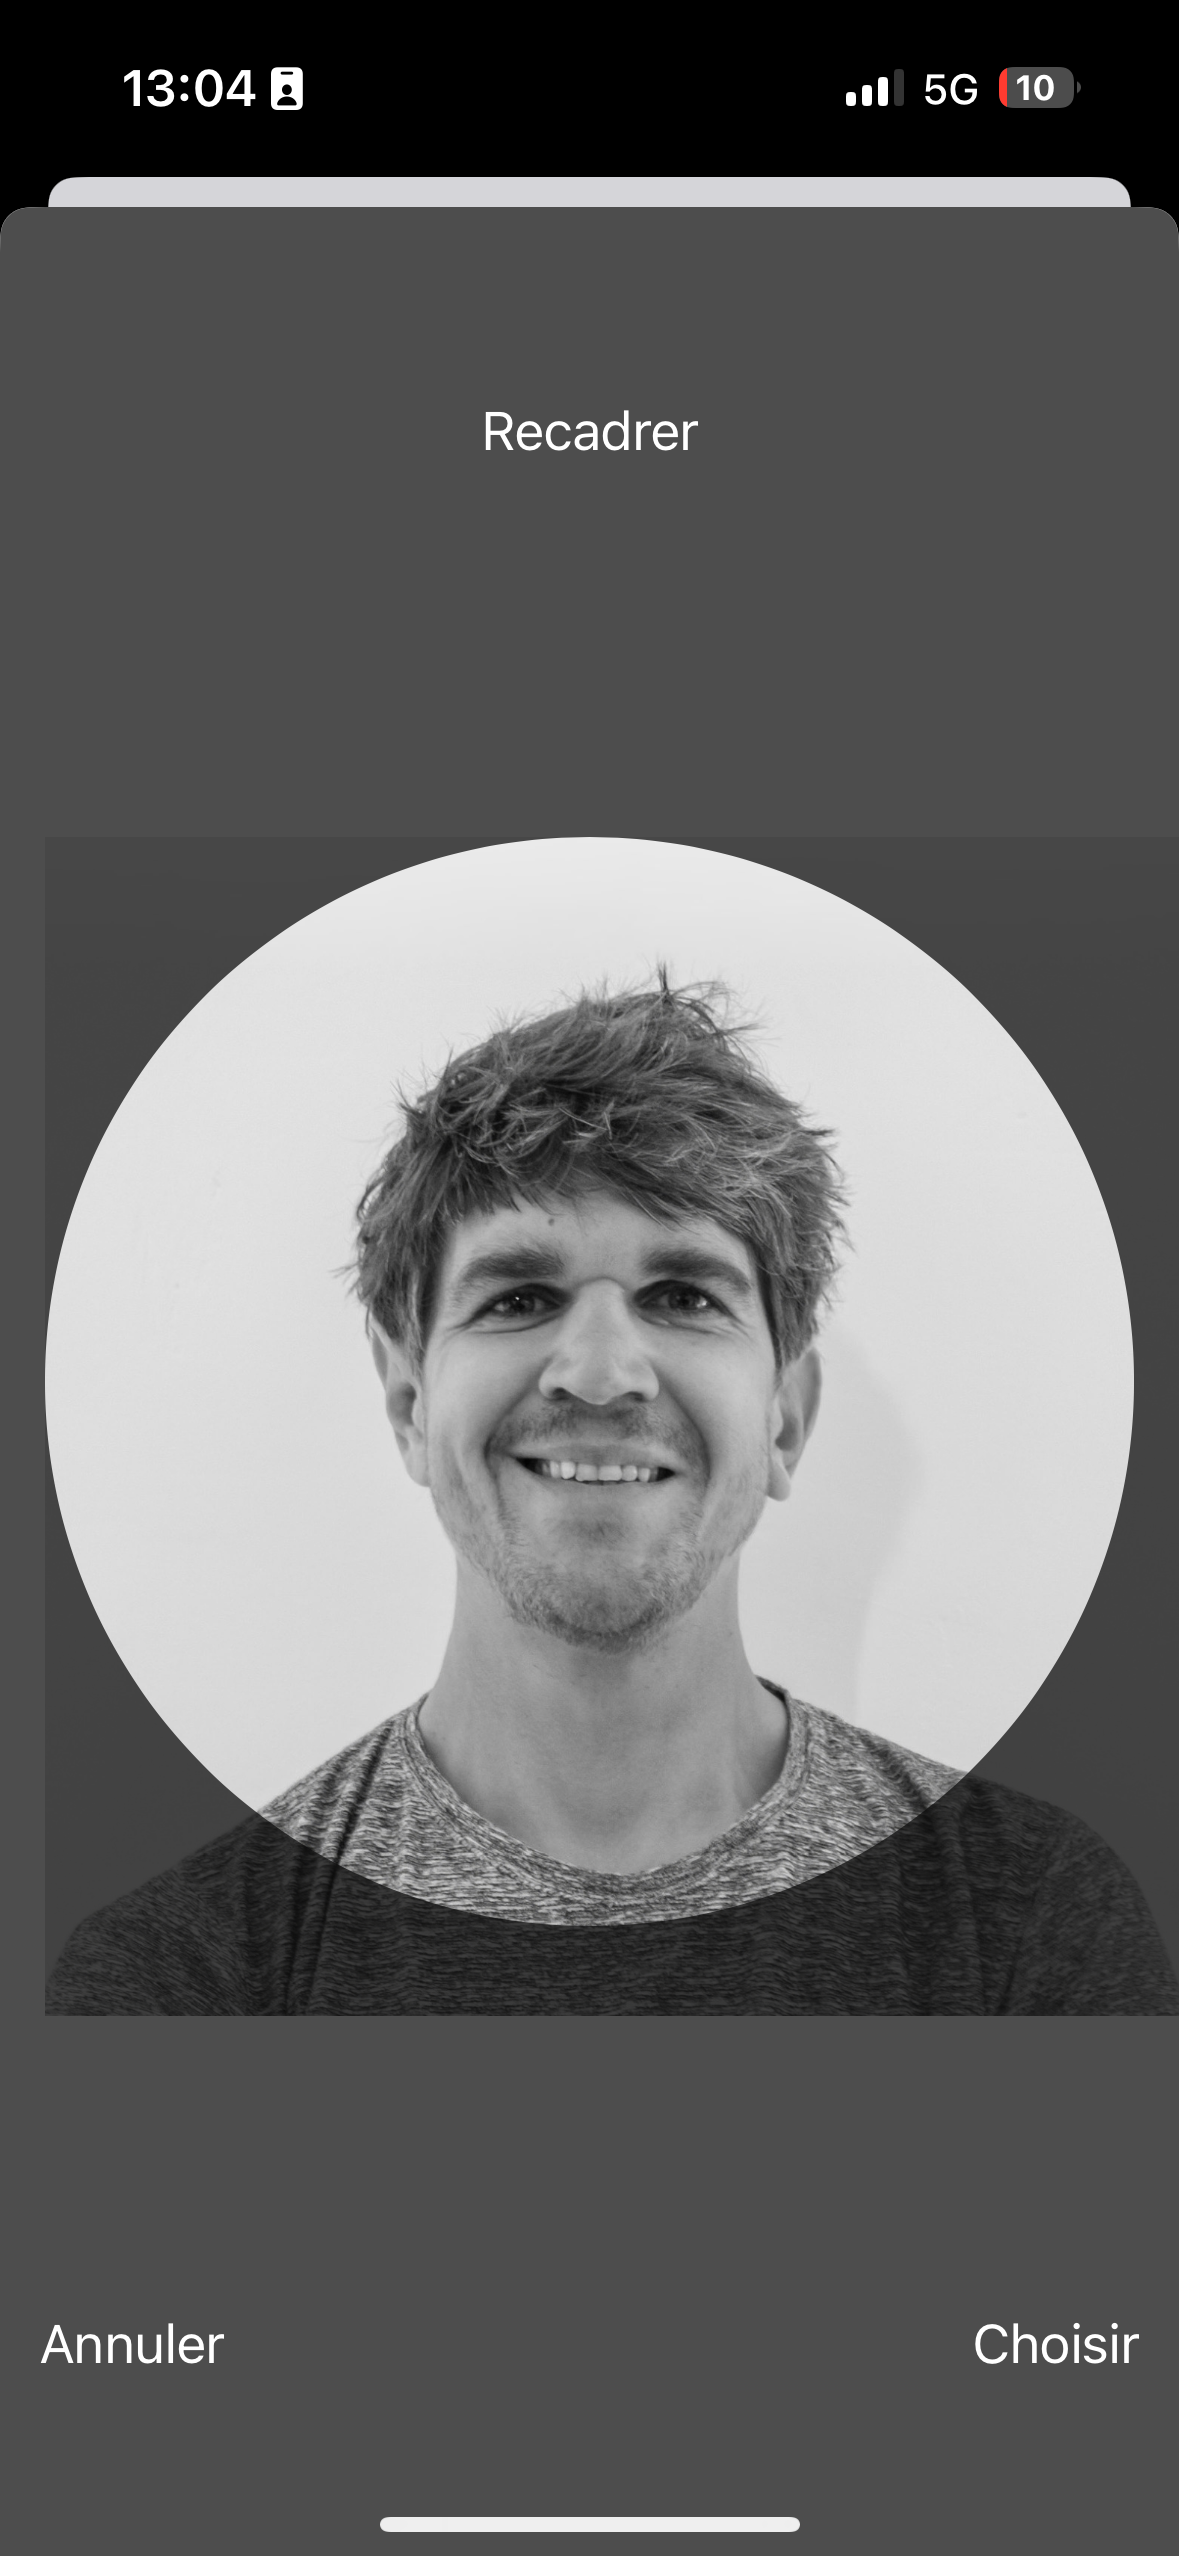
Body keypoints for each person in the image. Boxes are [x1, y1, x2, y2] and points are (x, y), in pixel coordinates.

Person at [47, 975, 1177, 2014]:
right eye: (518, 1298)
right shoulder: (188, 1977)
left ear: (784, 1418)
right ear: (408, 1404)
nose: (597, 1372)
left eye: (683, 1296)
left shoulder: (1031, 1927)